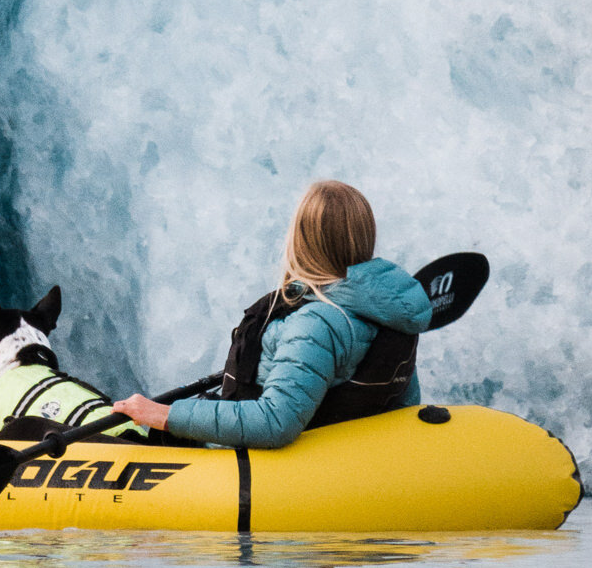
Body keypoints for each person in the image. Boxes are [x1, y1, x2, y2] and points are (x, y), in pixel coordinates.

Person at [114, 179, 432, 449]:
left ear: (302, 241)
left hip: (272, 471)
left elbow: (275, 422)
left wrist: (164, 415)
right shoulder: (386, 314)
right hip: (341, 461)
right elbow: (402, 405)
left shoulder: (315, 324)